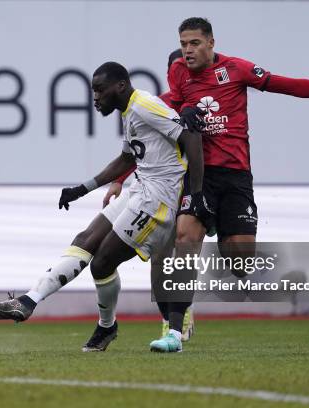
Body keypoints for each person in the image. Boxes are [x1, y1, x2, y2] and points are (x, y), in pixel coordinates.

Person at [114, 17, 309, 353]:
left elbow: (292, 86)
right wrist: (121, 178)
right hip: (199, 177)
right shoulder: (179, 74)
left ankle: (219, 232)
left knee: (240, 263)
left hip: (236, 178)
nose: (187, 51)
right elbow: (150, 134)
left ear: (211, 42)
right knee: (185, 238)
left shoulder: (237, 70)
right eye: (183, 44)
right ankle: (174, 329)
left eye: (194, 43)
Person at [0, 61, 205, 352]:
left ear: (120, 86)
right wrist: (82, 188)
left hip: (158, 200)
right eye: (93, 91)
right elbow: (127, 159)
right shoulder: (130, 111)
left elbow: (190, 136)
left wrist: (195, 196)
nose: (95, 98)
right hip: (139, 187)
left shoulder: (145, 105)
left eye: (100, 90)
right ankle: (28, 301)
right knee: (84, 240)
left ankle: (107, 327)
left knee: (102, 262)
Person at [103, 49, 196, 343]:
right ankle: (171, 322)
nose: (180, 72)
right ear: (169, 71)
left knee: (186, 248)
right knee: (160, 259)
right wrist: (118, 181)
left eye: (184, 67)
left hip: (196, 184)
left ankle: (180, 317)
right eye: (175, 67)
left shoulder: (207, 99)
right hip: (164, 190)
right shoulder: (159, 104)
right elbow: (138, 149)